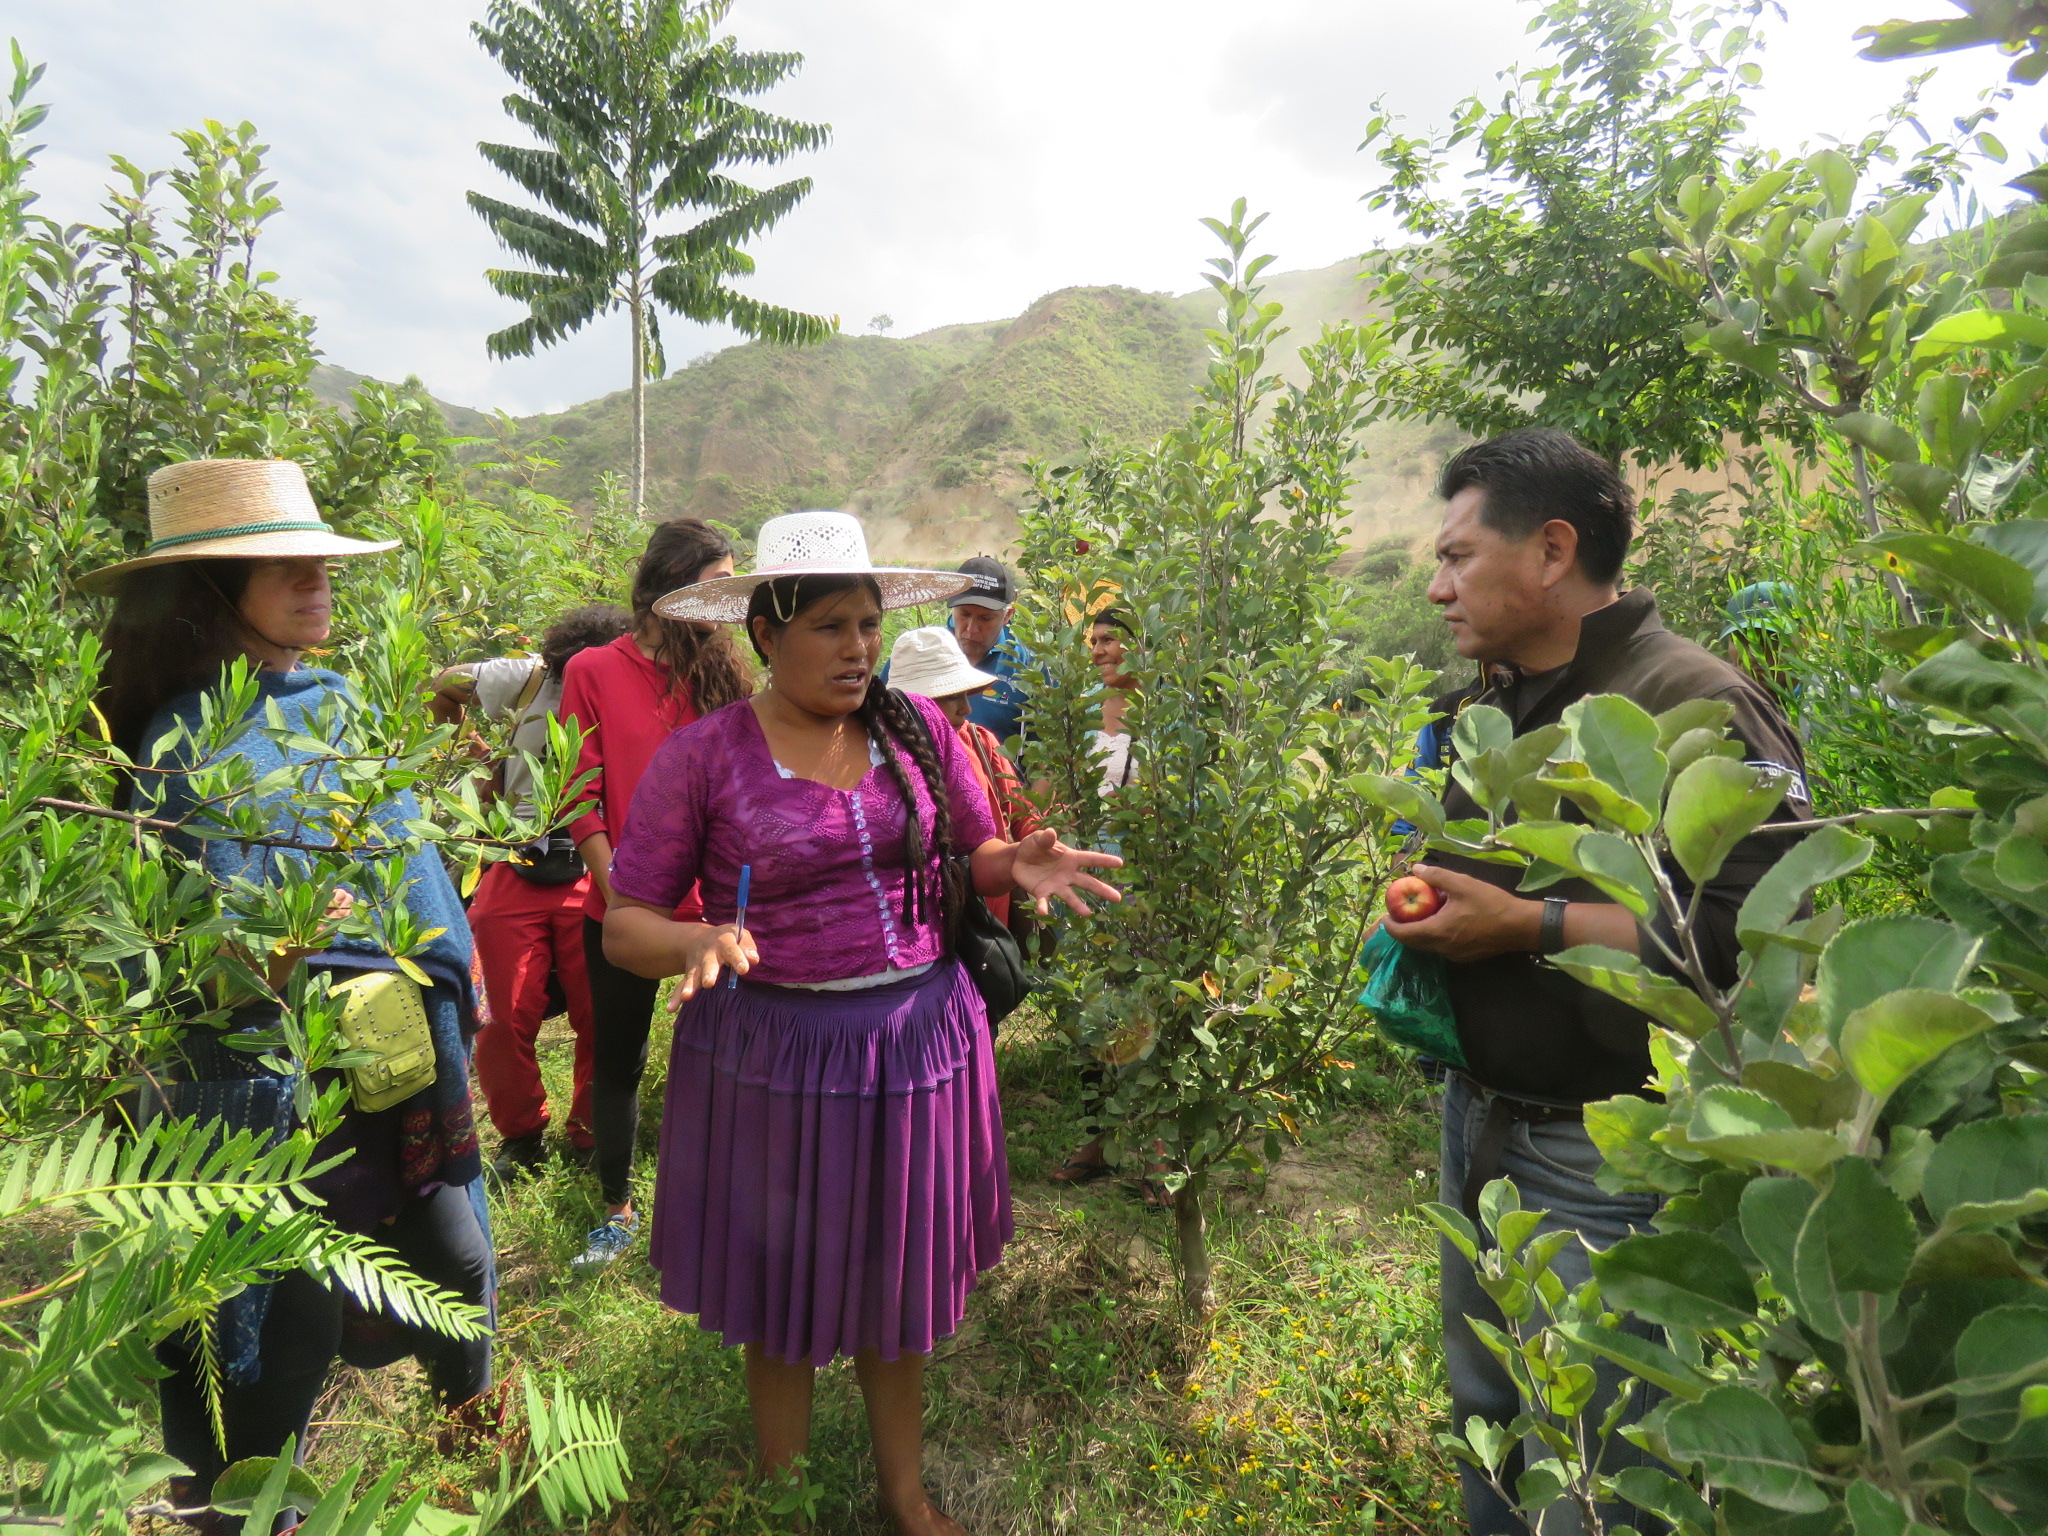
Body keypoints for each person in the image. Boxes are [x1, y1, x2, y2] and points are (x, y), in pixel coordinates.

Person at [600, 511, 1122, 1536]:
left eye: (869, 626)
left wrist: (1011, 864)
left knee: (899, 1276)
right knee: (778, 1286)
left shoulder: (917, 730)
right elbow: (626, 924)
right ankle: (784, 1498)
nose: (857, 649)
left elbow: (971, 848)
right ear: (764, 631)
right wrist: (692, 945)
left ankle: (902, 1490)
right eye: (830, 627)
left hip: (918, 1041)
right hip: (772, 1053)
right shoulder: (704, 760)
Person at [1381, 429, 1806, 1536]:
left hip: (1607, 1151)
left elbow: (1762, 937)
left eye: (1458, 557)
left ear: (1551, 550)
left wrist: (1528, 924)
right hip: (1478, 1118)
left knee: (1603, 1460)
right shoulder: (1493, 700)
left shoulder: (1694, 702)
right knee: (1488, 1409)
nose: (1435, 587)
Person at [84, 459, 494, 1532]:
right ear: (214, 593)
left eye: (322, 560)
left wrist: (447, 969)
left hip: (394, 1071)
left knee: (457, 1266)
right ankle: (238, 1506)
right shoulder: (178, 741)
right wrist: (284, 963)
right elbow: (172, 944)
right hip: (270, 1101)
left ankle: (477, 1470)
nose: (318, 579)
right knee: (277, 1327)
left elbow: (419, 883)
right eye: (286, 563)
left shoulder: (349, 706)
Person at [556, 519, 752, 1274]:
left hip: (717, 911)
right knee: (621, 1060)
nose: (727, 609)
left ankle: (718, 1196)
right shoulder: (595, 671)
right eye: (715, 588)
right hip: (623, 909)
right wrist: (624, 901)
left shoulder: (724, 674)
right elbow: (580, 793)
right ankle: (616, 1207)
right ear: (668, 589)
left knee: (726, 1058)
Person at [430, 604, 631, 1183]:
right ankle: (520, 1135)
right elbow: (445, 682)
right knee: (497, 1014)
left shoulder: (630, 688)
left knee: (599, 1014)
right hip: (518, 861)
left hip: (598, 869)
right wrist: (463, 748)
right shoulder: (530, 676)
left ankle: (592, 1134)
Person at [885, 625, 1039, 924]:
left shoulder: (980, 743)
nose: (966, 708)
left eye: (966, 694)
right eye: (949, 696)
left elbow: (1020, 813)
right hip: (915, 929)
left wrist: (1045, 842)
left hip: (987, 922)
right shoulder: (876, 760)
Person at [945, 555, 1034, 747]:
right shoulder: (920, 652)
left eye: (985, 618)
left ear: (1007, 615)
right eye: (964, 614)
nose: (971, 629)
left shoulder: (1029, 669)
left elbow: (1047, 762)